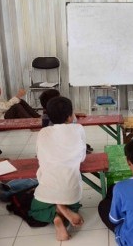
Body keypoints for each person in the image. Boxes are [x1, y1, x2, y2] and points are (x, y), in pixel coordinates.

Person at [28, 97, 86, 241]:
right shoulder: (78, 128)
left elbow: (39, 156)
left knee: (35, 210)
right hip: (71, 189)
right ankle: (65, 209)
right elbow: (82, 157)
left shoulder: (43, 133)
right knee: (74, 203)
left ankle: (55, 215)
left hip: (47, 187)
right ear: (70, 116)